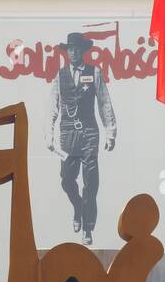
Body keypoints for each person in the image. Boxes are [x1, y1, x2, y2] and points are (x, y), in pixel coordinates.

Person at [46, 32, 117, 244]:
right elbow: (52, 105)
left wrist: (110, 132)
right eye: (70, 49)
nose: (74, 52)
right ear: (67, 52)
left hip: (89, 132)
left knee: (90, 180)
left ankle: (88, 227)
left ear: (83, 51)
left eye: (77, 48)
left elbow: (104, 103)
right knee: (67, 179)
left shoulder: (94, 72)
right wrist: (49, 133)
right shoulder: (60, 76)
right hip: (67, 133)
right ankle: (77, 206)